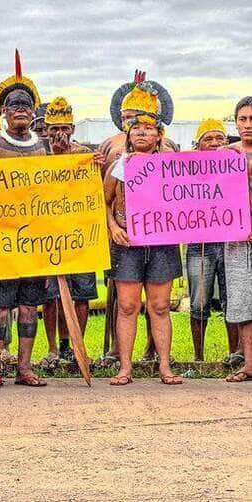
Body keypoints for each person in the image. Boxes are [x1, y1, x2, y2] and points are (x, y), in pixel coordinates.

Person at [104, 74, 183, 386]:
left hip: (161, 242)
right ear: (127, 131)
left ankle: (164, 366)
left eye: (148, 127)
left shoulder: (172, 164)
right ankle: (125, 367)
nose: (141, 132)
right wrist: (112, 226)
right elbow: (105, 200)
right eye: (136, 127)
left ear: (159, 133)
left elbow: (189, 200)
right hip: (128, 241)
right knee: (126, 306)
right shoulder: (120, 165)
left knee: (161, 306)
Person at [0, 50, 48, 389]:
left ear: (33, 112)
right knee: (0, 309)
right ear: (3, 113)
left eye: (25, 105)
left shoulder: (44, 147)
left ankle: (24, 367)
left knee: (30, 307)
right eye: (13, 106)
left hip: (35, 244)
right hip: (0, 242)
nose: (20, 110)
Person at [40, 97, 100, 368]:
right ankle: (54, 347)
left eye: (64, 128)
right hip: (47, 234)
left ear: (73, 128)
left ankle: (77, 346)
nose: (59, 134)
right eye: (53, 129)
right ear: (45, 130)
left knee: (82, 293)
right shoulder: (37, 156)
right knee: (50, 295)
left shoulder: (84, 155)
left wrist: (96, 165)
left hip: (80, 234)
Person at [187, 119, 240, 363]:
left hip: (230, 243)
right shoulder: (185, 170)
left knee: (232, 300)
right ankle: (198, 357)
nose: (215, 143)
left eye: (220, 138)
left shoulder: (237, 166)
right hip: (200, 244)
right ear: (198, 145)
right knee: (199, 301)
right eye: (208, 138)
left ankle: (234, 354)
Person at [223, 96, 252, 382]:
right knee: (243, 302)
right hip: (236, 240)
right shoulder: (225, 155)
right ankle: (249, 364)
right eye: (242, 119)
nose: (247, 125)